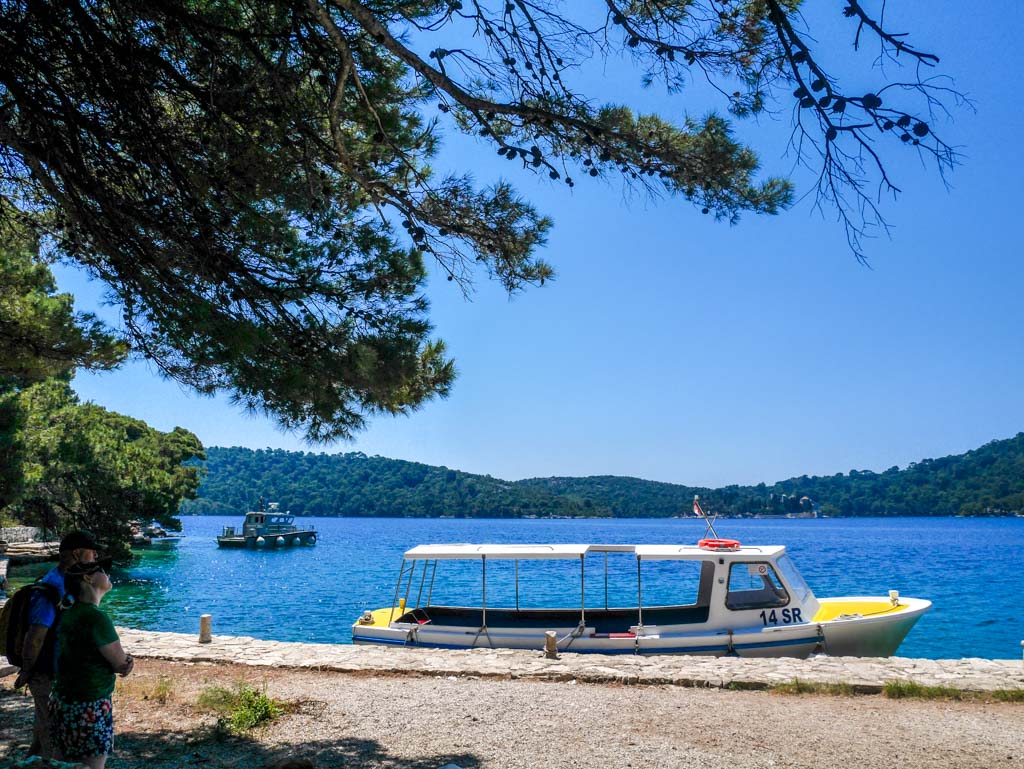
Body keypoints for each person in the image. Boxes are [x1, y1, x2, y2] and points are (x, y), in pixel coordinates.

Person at [14, 530, 100, 759]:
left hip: (60, 672)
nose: (95, 557)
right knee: (52, 734)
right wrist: (28, 669)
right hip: (46, 672)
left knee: (44, 724)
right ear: (77, 553)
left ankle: (31, 759)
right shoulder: (51, 588)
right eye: (92, 553)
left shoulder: (67, 584)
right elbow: (36, 635)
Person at [50, 560, 134, 769]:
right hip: (90, 704)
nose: (107, 573)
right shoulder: (96, 618)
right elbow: (120, 663)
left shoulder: (69, 613)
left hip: (62, 700)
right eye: (102, 571)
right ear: (88, 578)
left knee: (62, 762)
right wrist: (128, 663)